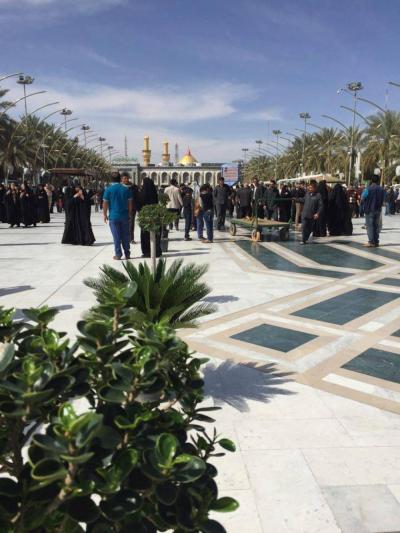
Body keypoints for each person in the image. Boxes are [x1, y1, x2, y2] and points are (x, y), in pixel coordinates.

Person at [103, 173, 132, 260]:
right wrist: (129, 213)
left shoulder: (108, 190)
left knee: (116, 236)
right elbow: (130, 203)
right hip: (124, 216)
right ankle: (127, 253)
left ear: (111, 179)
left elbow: (105, 203)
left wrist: (104, 214)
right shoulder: (126, 189)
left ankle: (118, 254)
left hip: (114, 217)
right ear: (120, 179)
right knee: (125, 235)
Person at [138, 177, 162, 258]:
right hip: (154, 216)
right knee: (155, 235)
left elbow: (138, 205)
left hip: (144, 217)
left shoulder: (142, 194)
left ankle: (147, 252)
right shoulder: (154, 193)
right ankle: (156, 251)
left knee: (145, 235)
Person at [363, 175, 385, 247]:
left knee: (370, 226)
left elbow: (363, 198)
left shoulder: (368, 189)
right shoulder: (381, 189)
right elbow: (383, 199)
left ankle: (371, 242)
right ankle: (376, 242)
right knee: (376, 226)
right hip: (378, 210)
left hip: (369, 210)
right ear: (378, 181)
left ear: (371, 180)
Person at [298, 180, 323, 244]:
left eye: (311, 187)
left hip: (312, 215)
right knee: (304, 226)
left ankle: (305, 239)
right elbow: (303, 199)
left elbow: (321, 206)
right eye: (309, 187)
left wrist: (317, 213)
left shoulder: (318, 195)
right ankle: (303, 240)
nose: (309, 188)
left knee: (309, 228)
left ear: (315, 188)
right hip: (305, 214)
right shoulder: (307, 194)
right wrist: (297, 199)